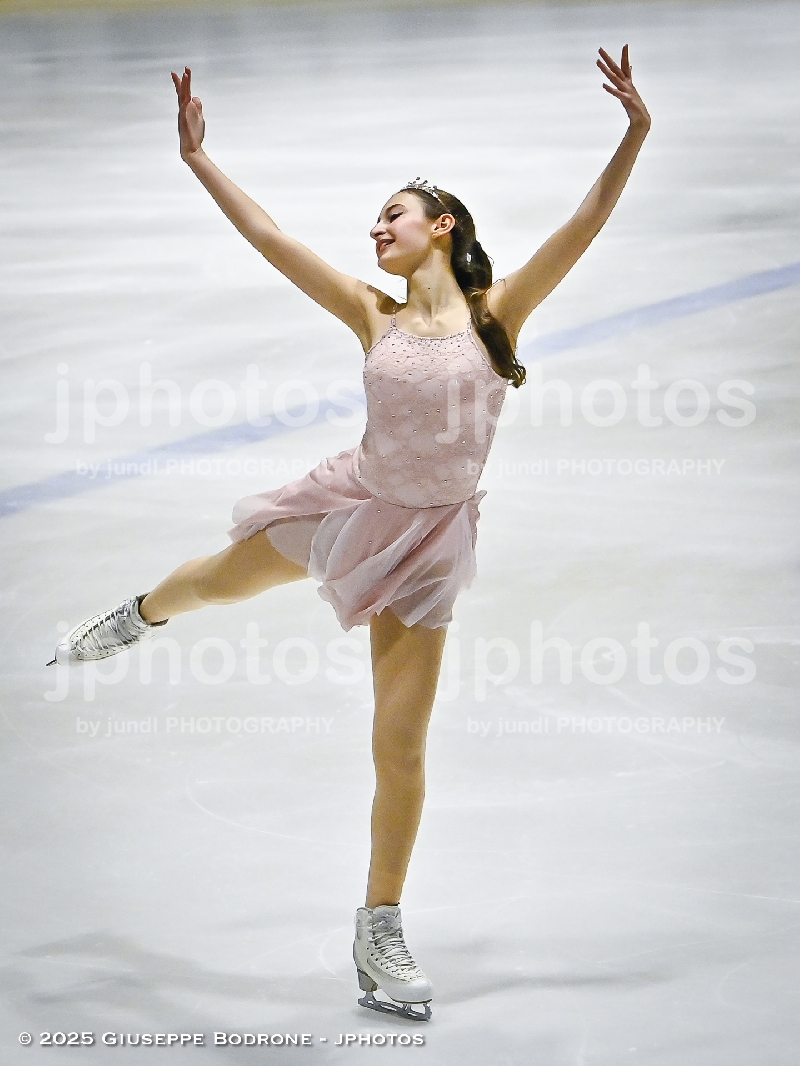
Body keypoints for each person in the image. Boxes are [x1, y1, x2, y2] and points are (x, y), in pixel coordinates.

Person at [49, 48, 650, 1020]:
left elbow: (584, 222)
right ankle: (138, 614)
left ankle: (379, 928)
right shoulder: (371, 314)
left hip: (431, 546)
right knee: (217, 583)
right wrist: (199, 159)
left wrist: (634, 132)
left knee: (398, 746)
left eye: (392, 214)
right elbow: (268, 235)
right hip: (352, 509)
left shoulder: (498, 312)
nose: (375, 228)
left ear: (441, 226)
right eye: (374, 219)